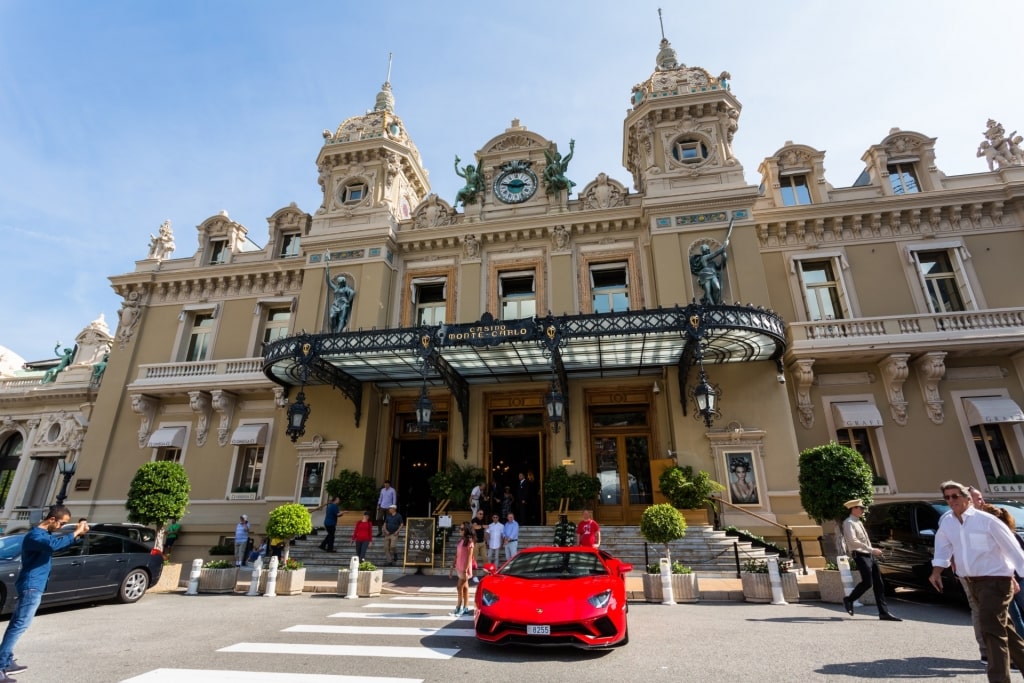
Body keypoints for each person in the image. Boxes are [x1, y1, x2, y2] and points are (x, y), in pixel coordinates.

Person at [930, 480, 1024, 682]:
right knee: (1003, 628)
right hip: (972, 582)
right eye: (947, 497)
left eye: (955, 496)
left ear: (966, 497)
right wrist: (936, 572)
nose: (951, 500)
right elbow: (943, 548)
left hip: (996, 581)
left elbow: (1013, 549)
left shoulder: (986, 520)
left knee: (990, 630)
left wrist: (1015, 575)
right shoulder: (948, 522)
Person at [0, 505, 88, 680]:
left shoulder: (44, 535)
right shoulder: (35, 536)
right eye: (62, 523)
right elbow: (54, 545)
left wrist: (80, 534)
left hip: (34, 585)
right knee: (19, 625)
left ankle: (7, 660)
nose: (62, 527)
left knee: (17, 624)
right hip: (31, 585)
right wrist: (76, 531)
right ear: (52, 519)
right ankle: (1, 664)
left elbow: (59, 544)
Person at [840, 499, 901, 621]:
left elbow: (864, 541)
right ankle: (849, 599)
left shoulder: (858, 522)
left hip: (868, 554)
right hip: (860, 555)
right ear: (854, 509)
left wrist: (872, 550)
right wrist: (871, 550)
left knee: (879, 583)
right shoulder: (849, 523)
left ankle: (884, 612)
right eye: (860, 508)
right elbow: (853, 541)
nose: (863, 510)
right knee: (868, 582)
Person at [448, 522, 475, 617]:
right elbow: (457, 554)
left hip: (464, 568)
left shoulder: (470, 542)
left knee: (459, 587)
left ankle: (459, 607)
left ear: (467, 530)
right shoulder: (461, 540)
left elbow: (469, 557)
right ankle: (465, 608)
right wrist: (452, 565)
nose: (460, 530)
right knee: (465, 588)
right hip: (459, 567)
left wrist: (466, 569)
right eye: (460, 528)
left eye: (462, 529)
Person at [471, 509, 487, 581]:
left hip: (482, 543)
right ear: (477, 514)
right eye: (480, 514)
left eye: (482, 514)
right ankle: (474, 576)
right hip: (476, 543)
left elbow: (484, 531)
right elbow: (475, 527)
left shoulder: (482, 521)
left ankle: (485, 575)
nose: (481, 515)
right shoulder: (474, 520)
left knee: (485, 559)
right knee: (475, 560)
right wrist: (483, 526)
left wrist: (486, 541)